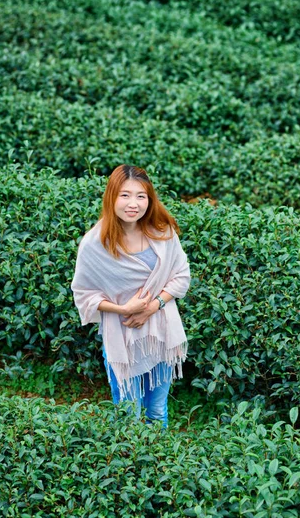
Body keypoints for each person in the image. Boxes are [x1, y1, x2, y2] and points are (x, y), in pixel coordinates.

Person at [71, 164, 191, 428]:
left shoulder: (162, 232)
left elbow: (181, 276)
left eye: (141, 196)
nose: (133, 204)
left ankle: (159, 465)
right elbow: (83, 293)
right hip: (122, 339)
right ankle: (134, 467)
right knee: (129, 416)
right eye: (125, 195)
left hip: (161, 334)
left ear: (149, 199)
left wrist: (153, 306)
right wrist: (123, 309)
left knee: (157, 412)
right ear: (111, 197)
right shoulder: (95, 244)